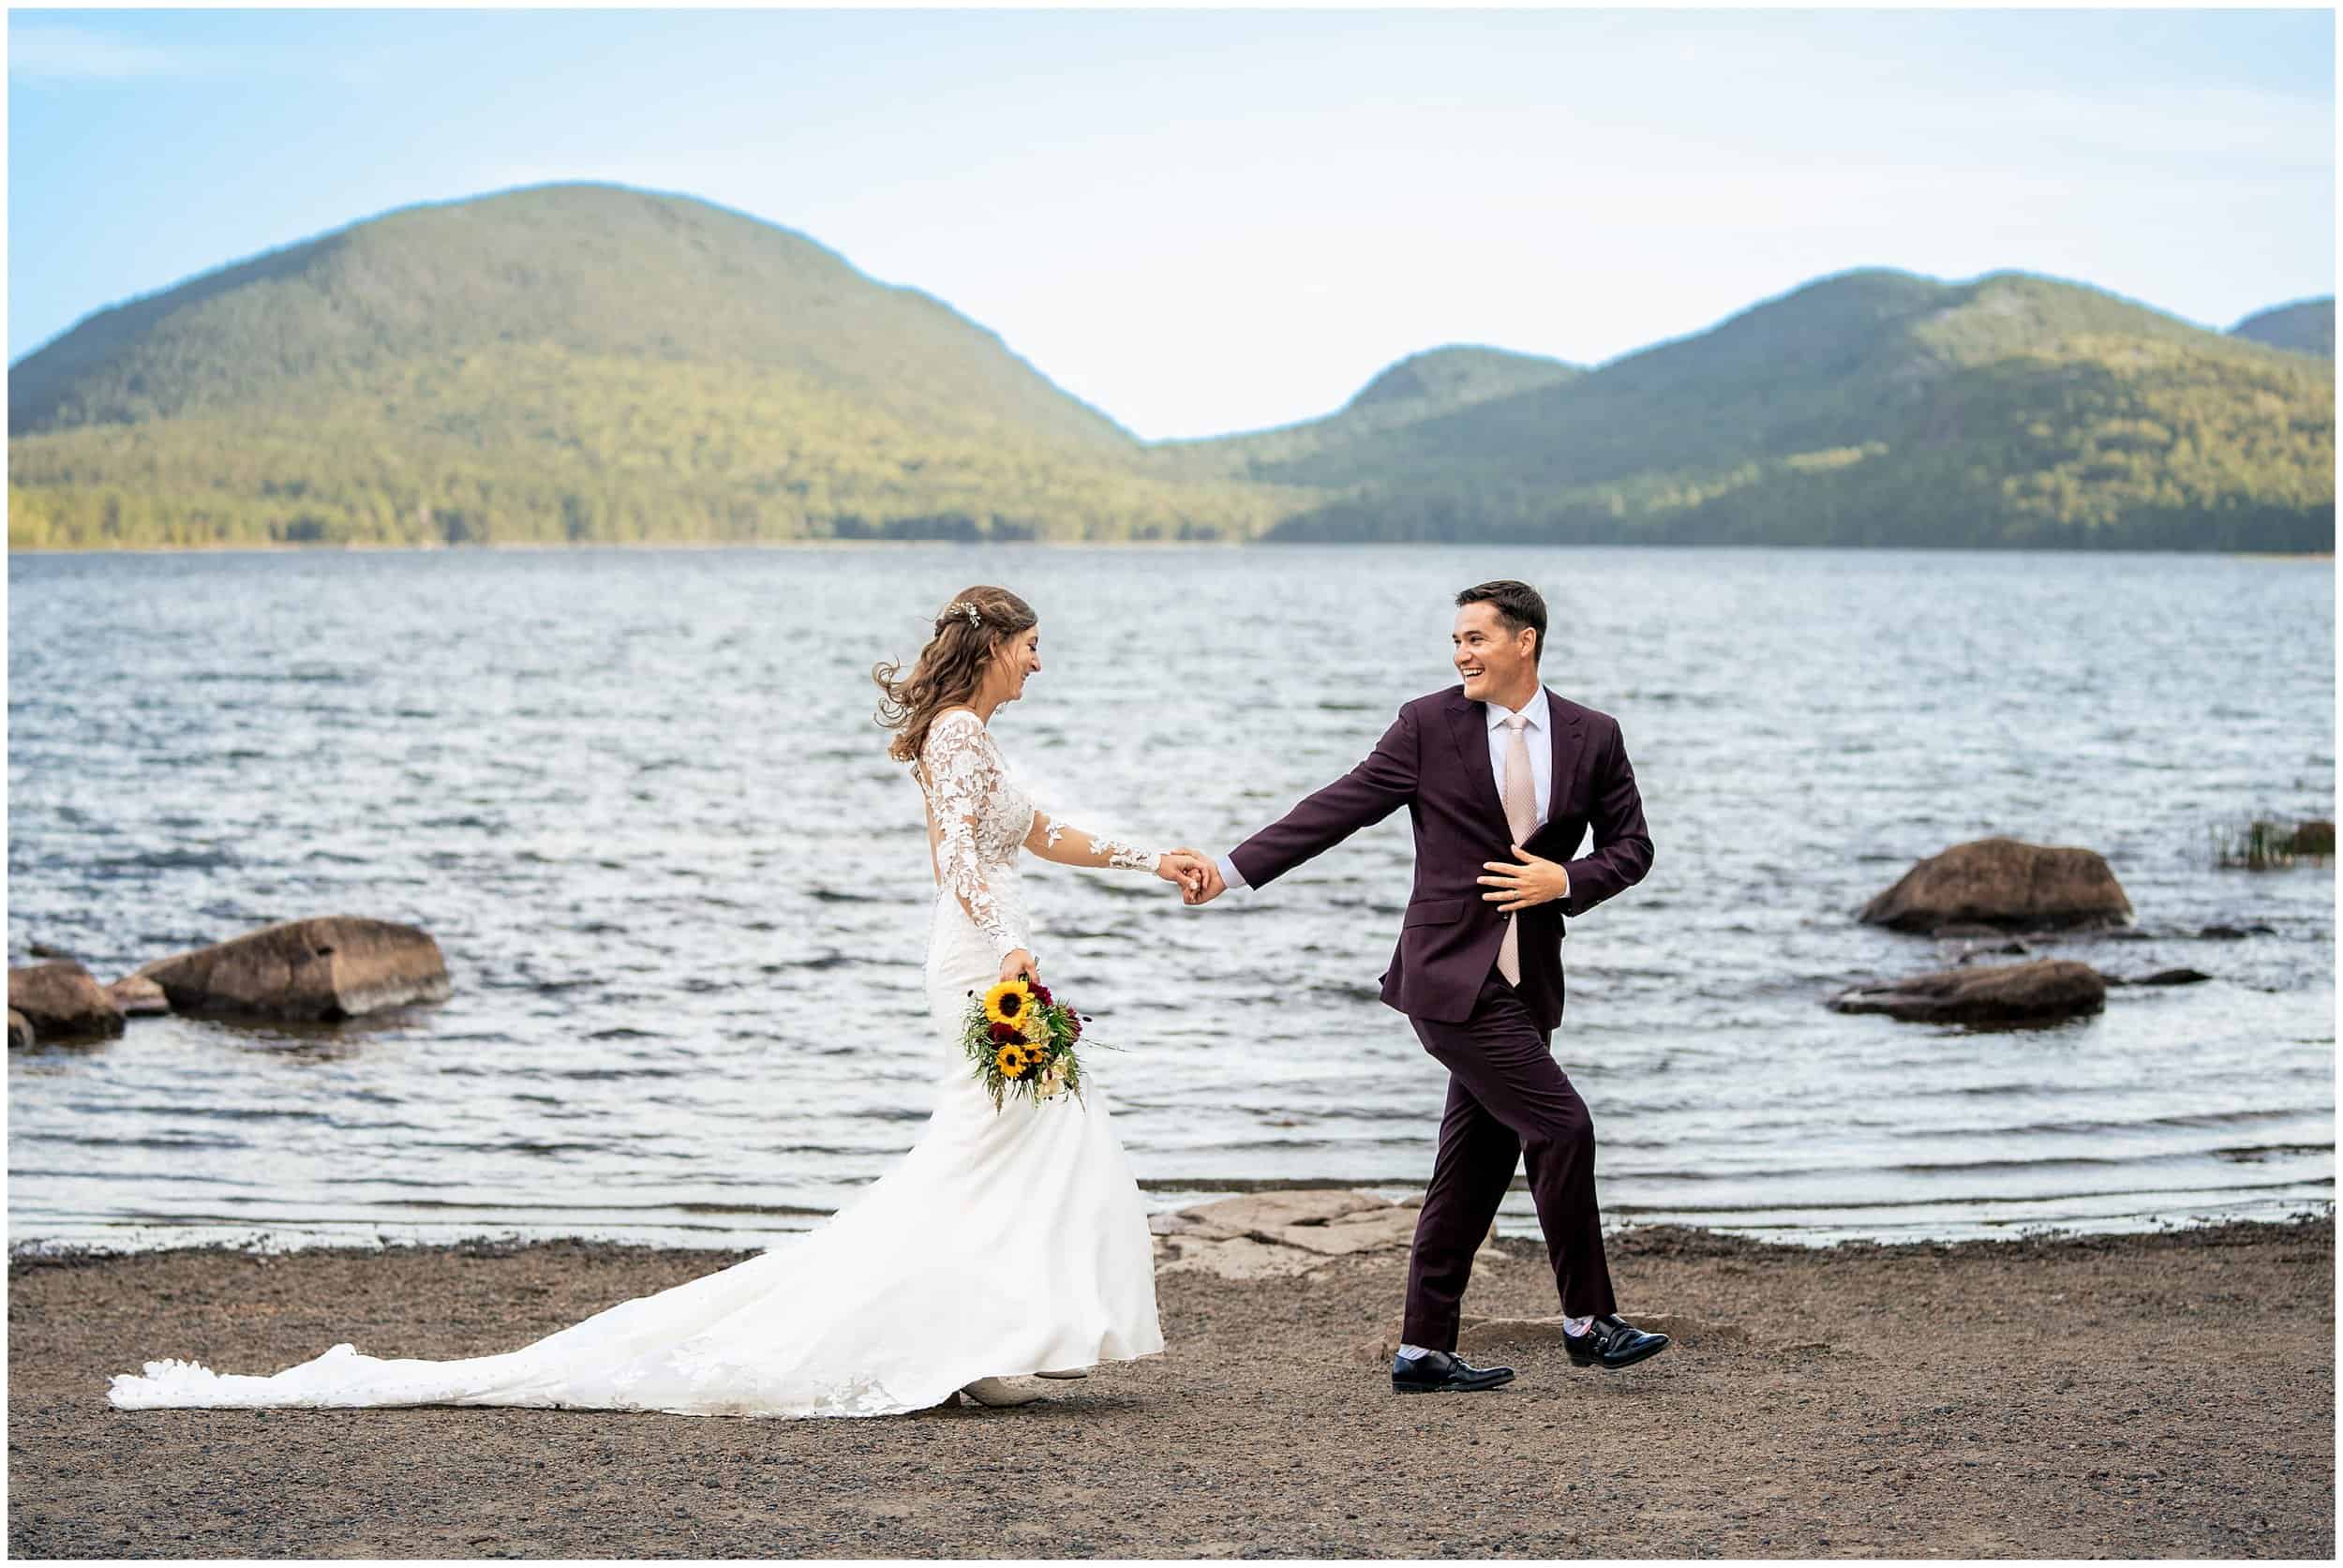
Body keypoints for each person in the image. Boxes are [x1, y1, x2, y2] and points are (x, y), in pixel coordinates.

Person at [107, 585, 1210, 1418]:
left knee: (1015, 1140)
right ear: (990, 649)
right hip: (982, 964)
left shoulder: (976, 738)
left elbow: (1043, 830)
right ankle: (969, 1340)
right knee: (1011, 1138)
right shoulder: (961, 736)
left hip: (981, 957)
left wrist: (1150, 856)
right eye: (1029, 648)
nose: (1038, 663)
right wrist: (1013, 948)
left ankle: (987, 1339)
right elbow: (959, 858)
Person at [1186, 579, 1667, 1392]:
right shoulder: (1425, 725)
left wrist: (1567, 880)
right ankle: (1589, 1321)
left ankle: (1422, 1348)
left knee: (1473, 1167)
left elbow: (1634, 846)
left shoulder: (1594, 735)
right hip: (1448, 979)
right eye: (1455, 641)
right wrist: (1231, 871)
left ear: (1526, 641)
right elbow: (1337, 808)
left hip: (1529, 980)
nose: (1460, 654)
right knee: (1563, 1126)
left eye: (1475, 638)